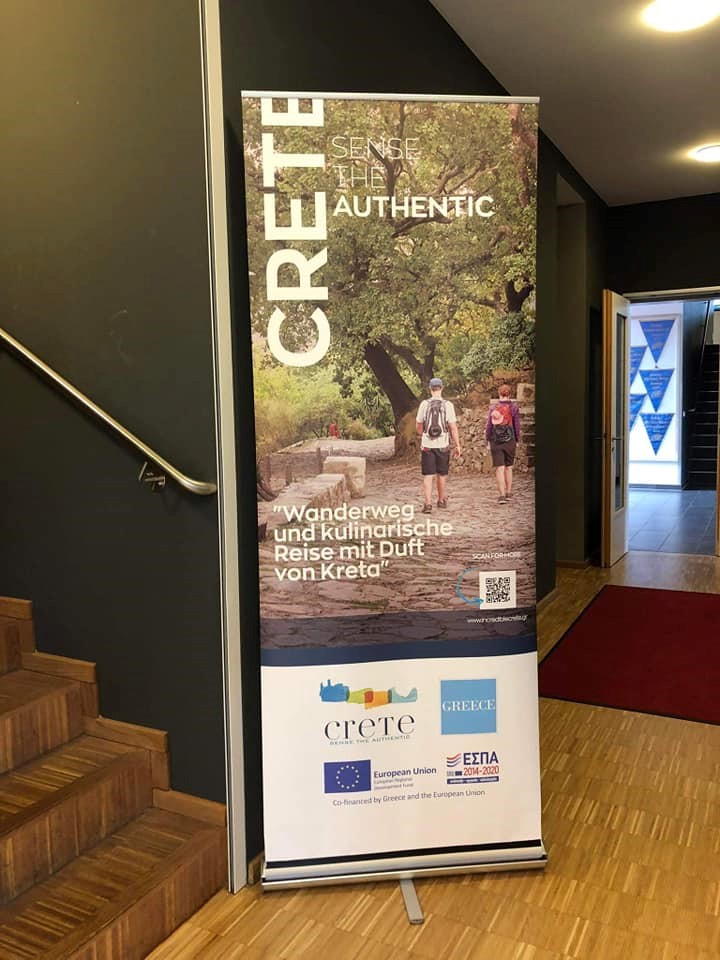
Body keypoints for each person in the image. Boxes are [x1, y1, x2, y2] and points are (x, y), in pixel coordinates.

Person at [416, 377, 461, 513]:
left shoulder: (424, 404)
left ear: (430, 389)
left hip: (427, 445)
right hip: (443, 445)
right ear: (442, 388)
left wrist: (423, 435)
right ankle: (441, 500)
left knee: (428, 475)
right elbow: (453, 427)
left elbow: (419, 425)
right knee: (441, 474)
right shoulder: (448, 405)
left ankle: (428, 504)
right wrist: (458, 445)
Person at [485, 383, 520, 504]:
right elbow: (517, 425)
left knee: (500, 468)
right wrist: (517, 439)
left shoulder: (493, 408)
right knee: (508, 467)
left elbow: (489, 426)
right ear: (510, 394)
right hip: (510, 440)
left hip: (496, 441)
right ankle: (509, 492)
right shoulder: (514, 407)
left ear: (499, 394)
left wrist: (487, 439)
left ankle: (502, 496)